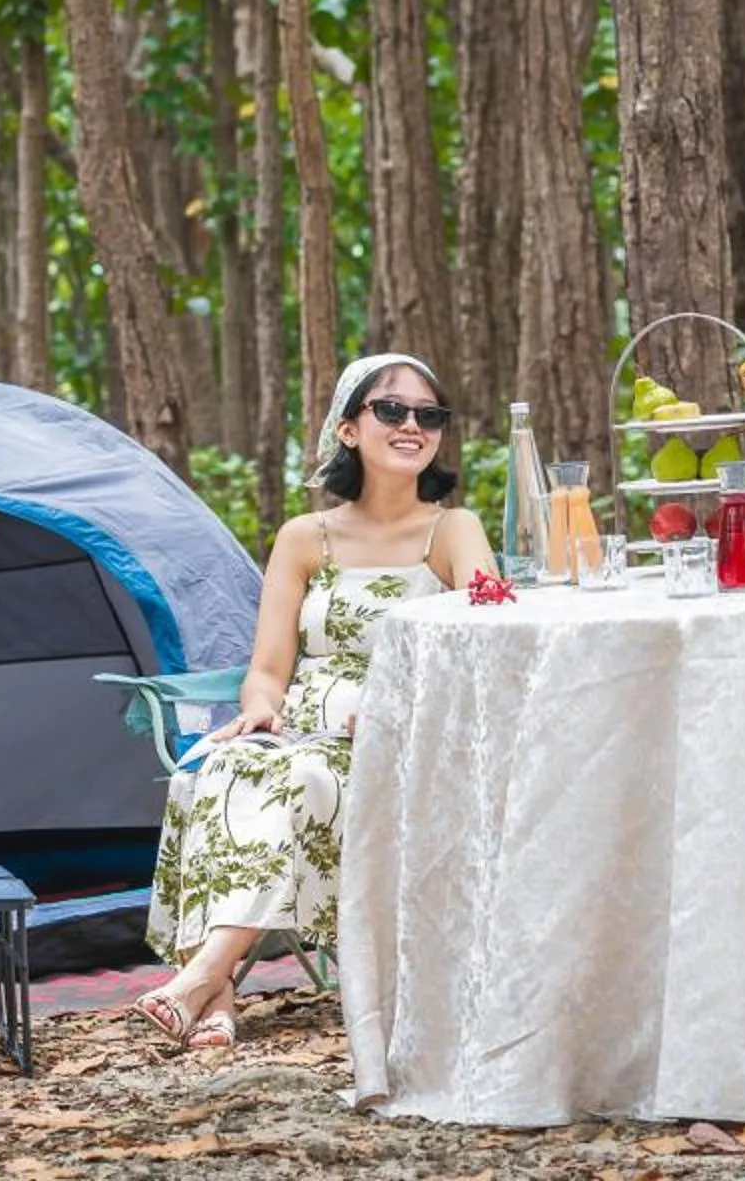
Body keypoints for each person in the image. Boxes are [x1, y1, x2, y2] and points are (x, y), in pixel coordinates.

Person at [132, 352, 494, 1054]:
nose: (412, 425)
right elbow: (268, 670)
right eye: (391, 410)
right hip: (302, 729)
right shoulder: (305, 538)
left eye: (429, 415)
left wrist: (399, 705)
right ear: (350, 429)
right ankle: (219, 998)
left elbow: (482, 645)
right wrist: (262, 708)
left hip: (404, 735)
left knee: (294, 779)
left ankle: (204, 975)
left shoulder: (452, 531)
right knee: (214, 764)